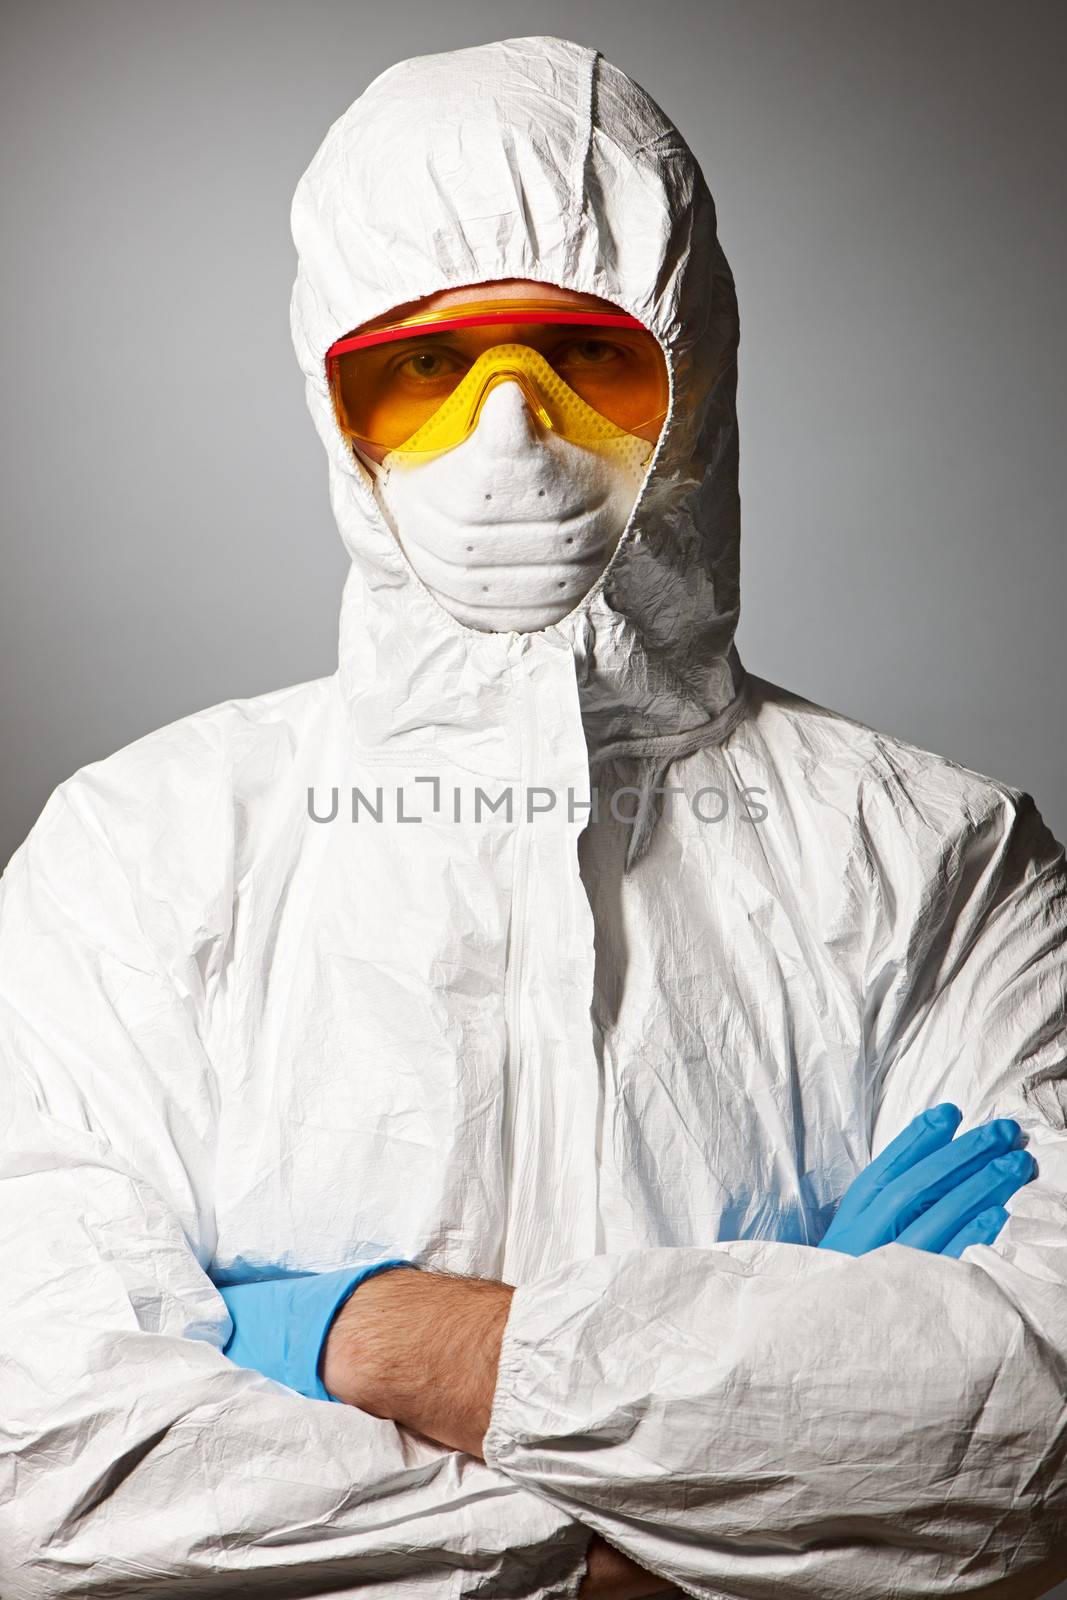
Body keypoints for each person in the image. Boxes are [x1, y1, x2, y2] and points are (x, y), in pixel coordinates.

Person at [0, 32, 1064, 1600]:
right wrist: (694, 1502)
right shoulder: (140, 855)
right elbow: (48, 1451)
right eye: (426, 368)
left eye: (584, 357)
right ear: (336, 406)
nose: (510, 436)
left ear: (694, 378)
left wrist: (371, 1339)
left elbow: (1032, 1432)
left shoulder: (943, 865)